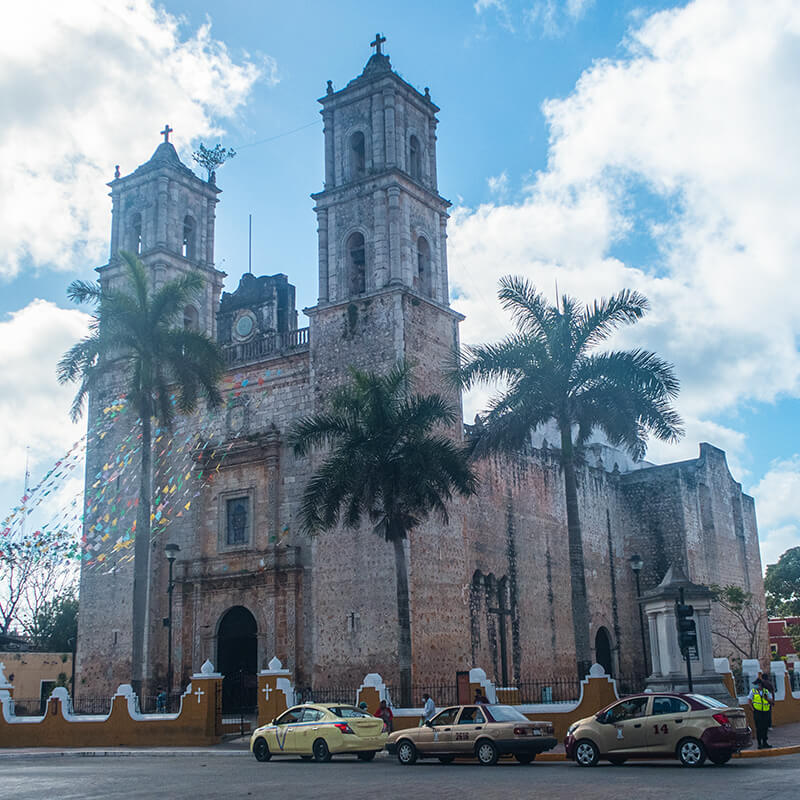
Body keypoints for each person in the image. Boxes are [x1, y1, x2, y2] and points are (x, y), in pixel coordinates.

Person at [748, 677, 774, 749]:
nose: (756, 686)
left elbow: (771, 701)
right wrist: (753, 710)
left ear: (761, 685)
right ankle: (759, 743)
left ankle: (765, 742)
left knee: (765, 728)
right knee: (759, 728)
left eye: (757, 684)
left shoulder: (766, 691)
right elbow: (749, 701)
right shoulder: (753, 691)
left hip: (765, 712)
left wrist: (766, 698)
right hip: (757, 712)